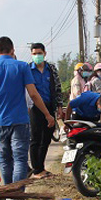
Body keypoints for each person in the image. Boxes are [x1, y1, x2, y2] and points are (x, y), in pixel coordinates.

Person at [0, 37, 54, 200]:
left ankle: (7, 194)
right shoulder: (21, 67)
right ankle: (17, 195)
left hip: (0, 121)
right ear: (12, 50)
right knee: (19, 158)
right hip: (19, 119)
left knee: (4, 158)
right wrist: (48, 114)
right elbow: (33, 94)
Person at [27, 42, 63, 180]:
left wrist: (59, 107)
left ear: (45, 53)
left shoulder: (51, 69)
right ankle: (36, 169)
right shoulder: (28, 70)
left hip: (49, 105)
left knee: (47, 137)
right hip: (34, 108)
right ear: (31, 55)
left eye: (39, 53)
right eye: (34, 54)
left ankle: (41, 166)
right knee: (35, 137)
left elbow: (58, 88)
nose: (37, 56)